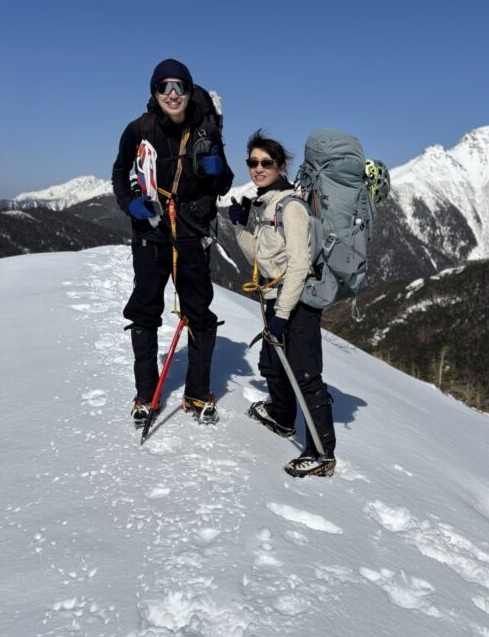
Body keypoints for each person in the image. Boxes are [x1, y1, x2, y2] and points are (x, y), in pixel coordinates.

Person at [112, 59, 234, 426]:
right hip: (150, 233)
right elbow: (120, 172)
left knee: (199, 312)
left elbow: (225, 183)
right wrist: (130, 204)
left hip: (192, 234)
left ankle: (197, 393)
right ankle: (146, 394)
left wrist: (219, 170)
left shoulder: (205, 130)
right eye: (164, 87)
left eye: (179, 86)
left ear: (188, 90)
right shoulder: (138, 129)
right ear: (154, 92)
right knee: (145, 311)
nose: (173, 94)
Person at [229, 129, 337, 477]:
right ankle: (281, 416)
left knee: (305, 375)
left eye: (266, 163)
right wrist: (238, 227)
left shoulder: (291, 207)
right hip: (273, 298)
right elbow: (259, 258)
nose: (258, 168)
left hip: (296, 304)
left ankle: (322, 453)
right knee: (272, 364)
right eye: (253, 162)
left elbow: (300, 264)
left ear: (280, 166)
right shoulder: (265, 204)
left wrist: (283, 313)